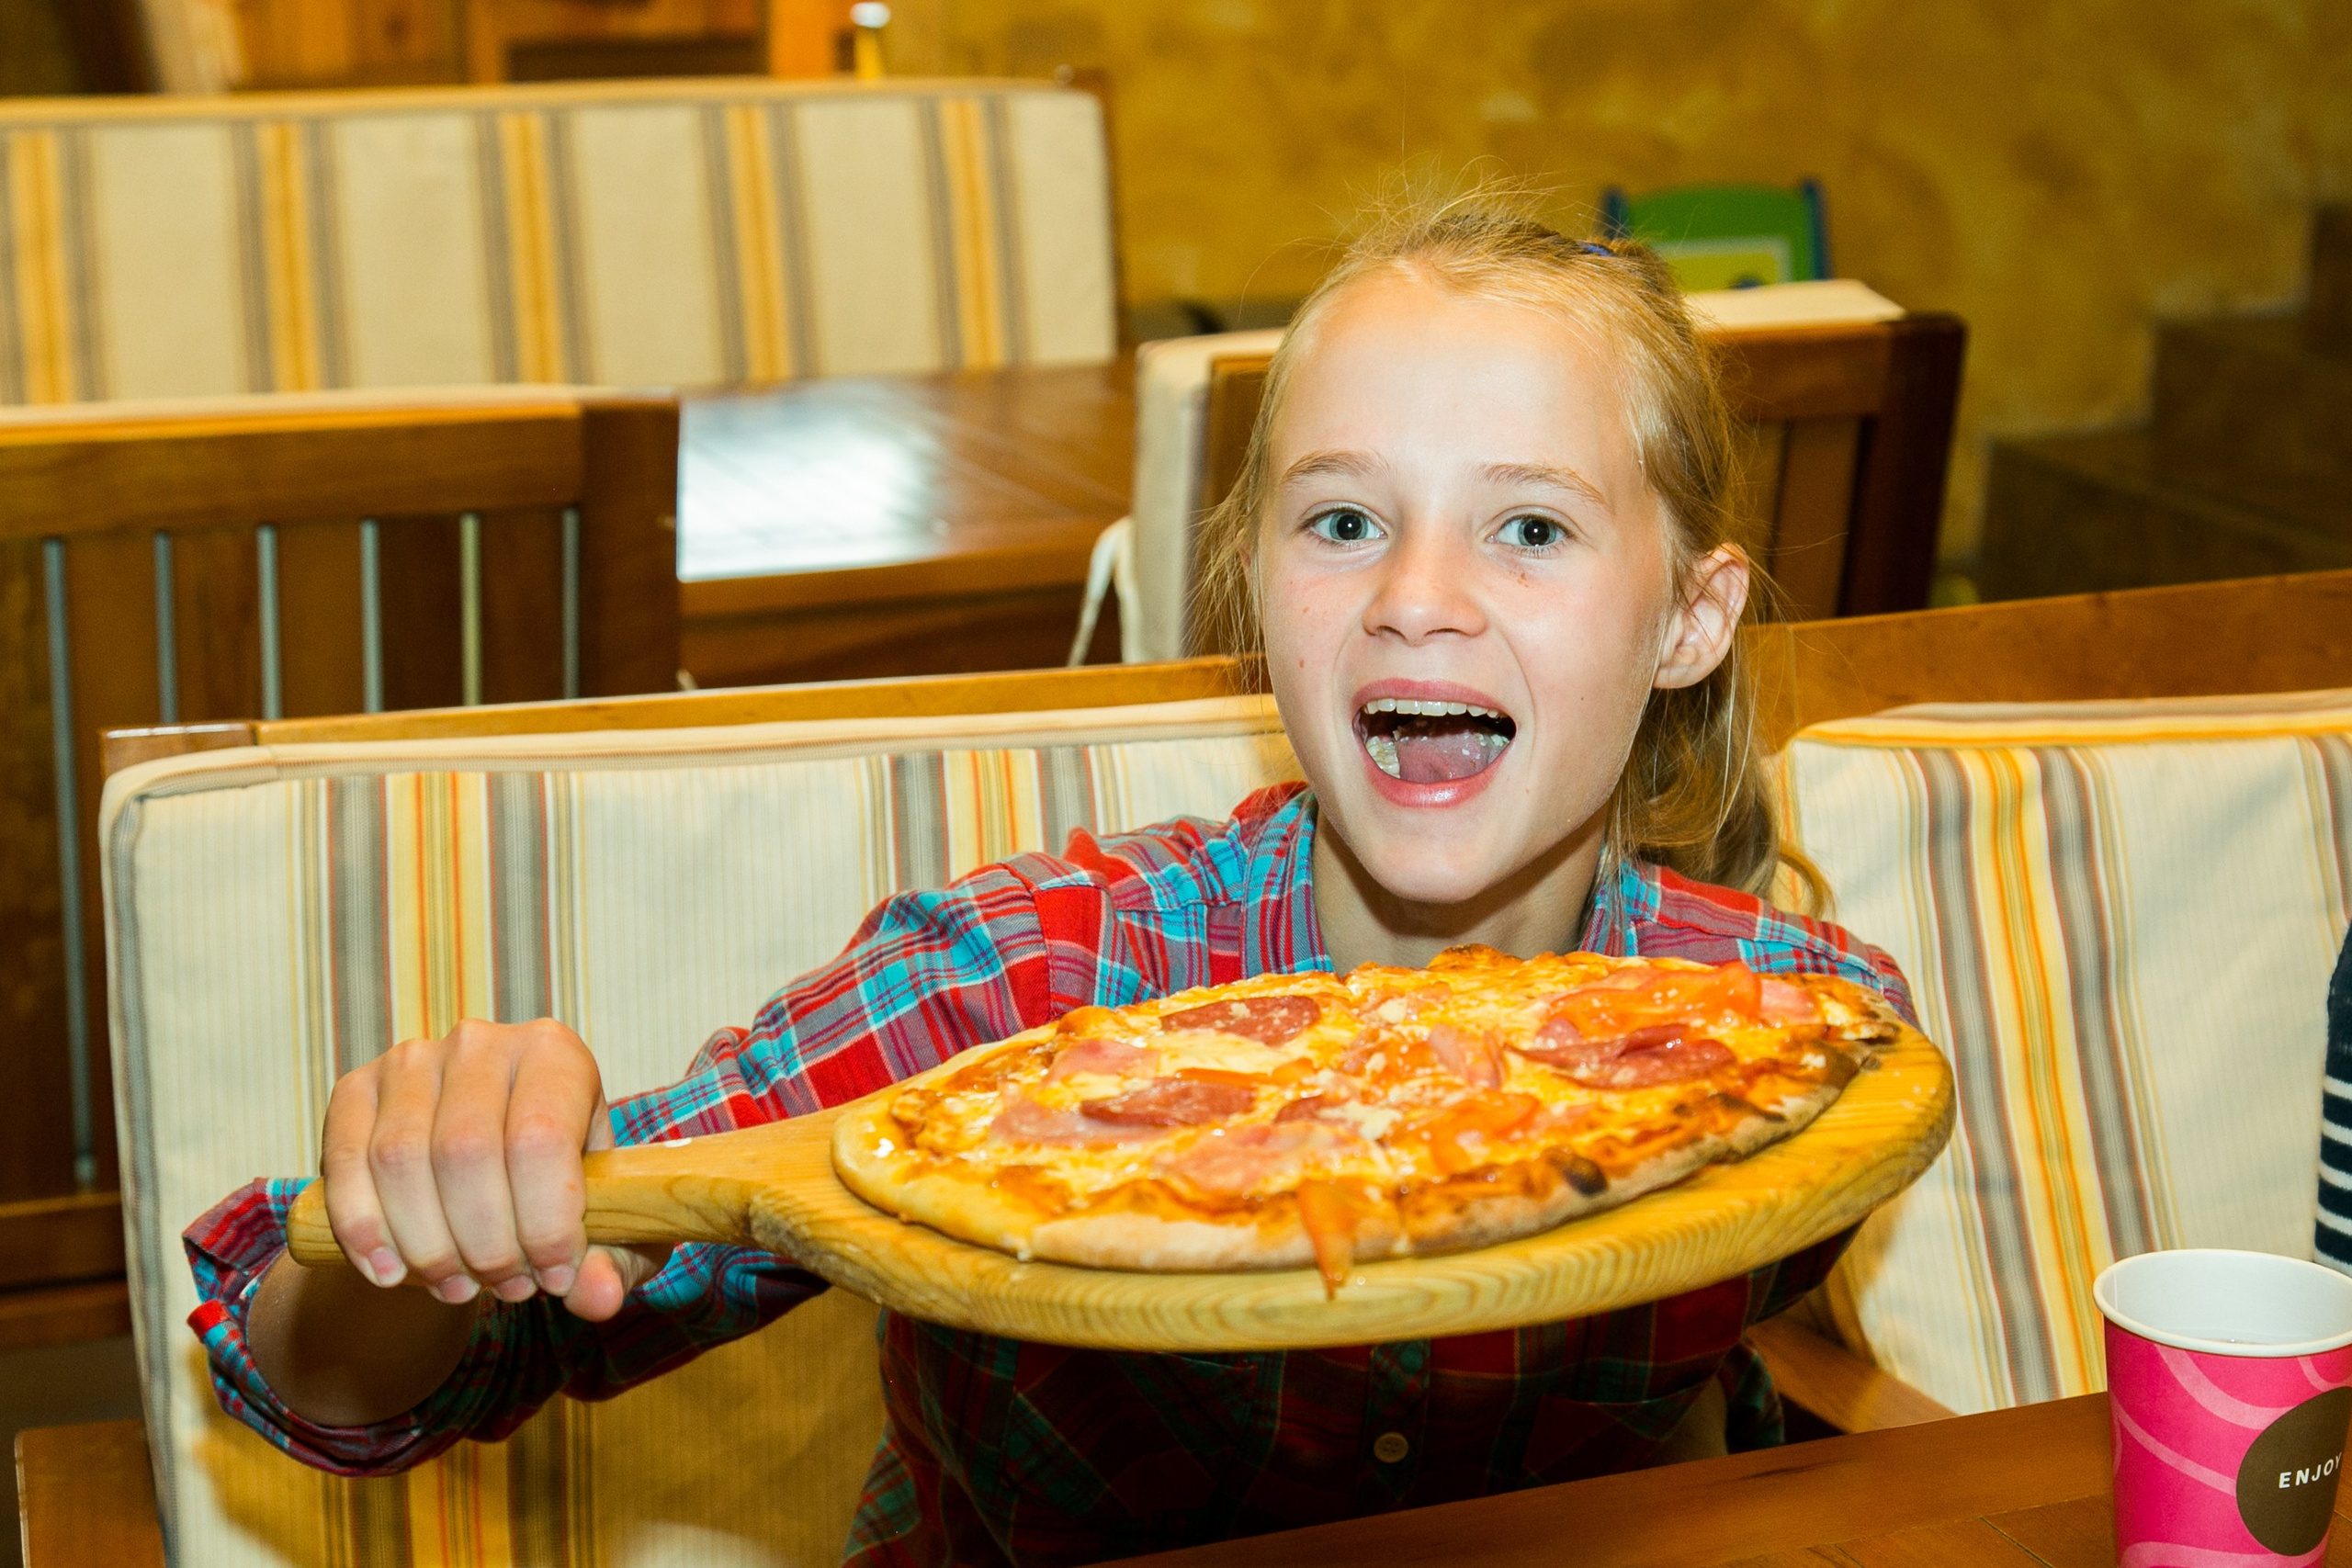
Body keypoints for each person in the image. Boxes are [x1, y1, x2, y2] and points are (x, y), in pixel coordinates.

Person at [187, 194, 1916, 1567]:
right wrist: (430, 1206)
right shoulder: (1012, 996)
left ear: (1691, 618)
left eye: (1530, 527)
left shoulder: (1785, 1038)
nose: (1416, 598)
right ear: (1254, 590)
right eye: (1343, 522)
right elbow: (356, 1377)